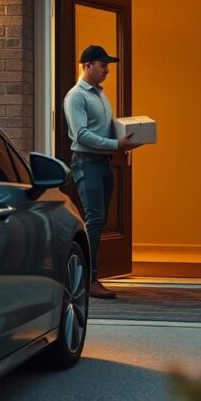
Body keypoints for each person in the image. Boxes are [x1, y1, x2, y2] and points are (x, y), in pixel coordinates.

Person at [63, 45, 139, 300]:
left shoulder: (101, 96)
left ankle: (91, 276)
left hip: (104, 163)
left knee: (99, 220)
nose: (106, 70)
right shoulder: (76, 97)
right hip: (87, 162)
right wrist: (117, 144)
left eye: (107, 65)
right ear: (86, 66)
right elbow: (81, 135)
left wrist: (126, 137)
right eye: (102, 65)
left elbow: (102, 130)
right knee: (94, 219)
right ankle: (89, 279)